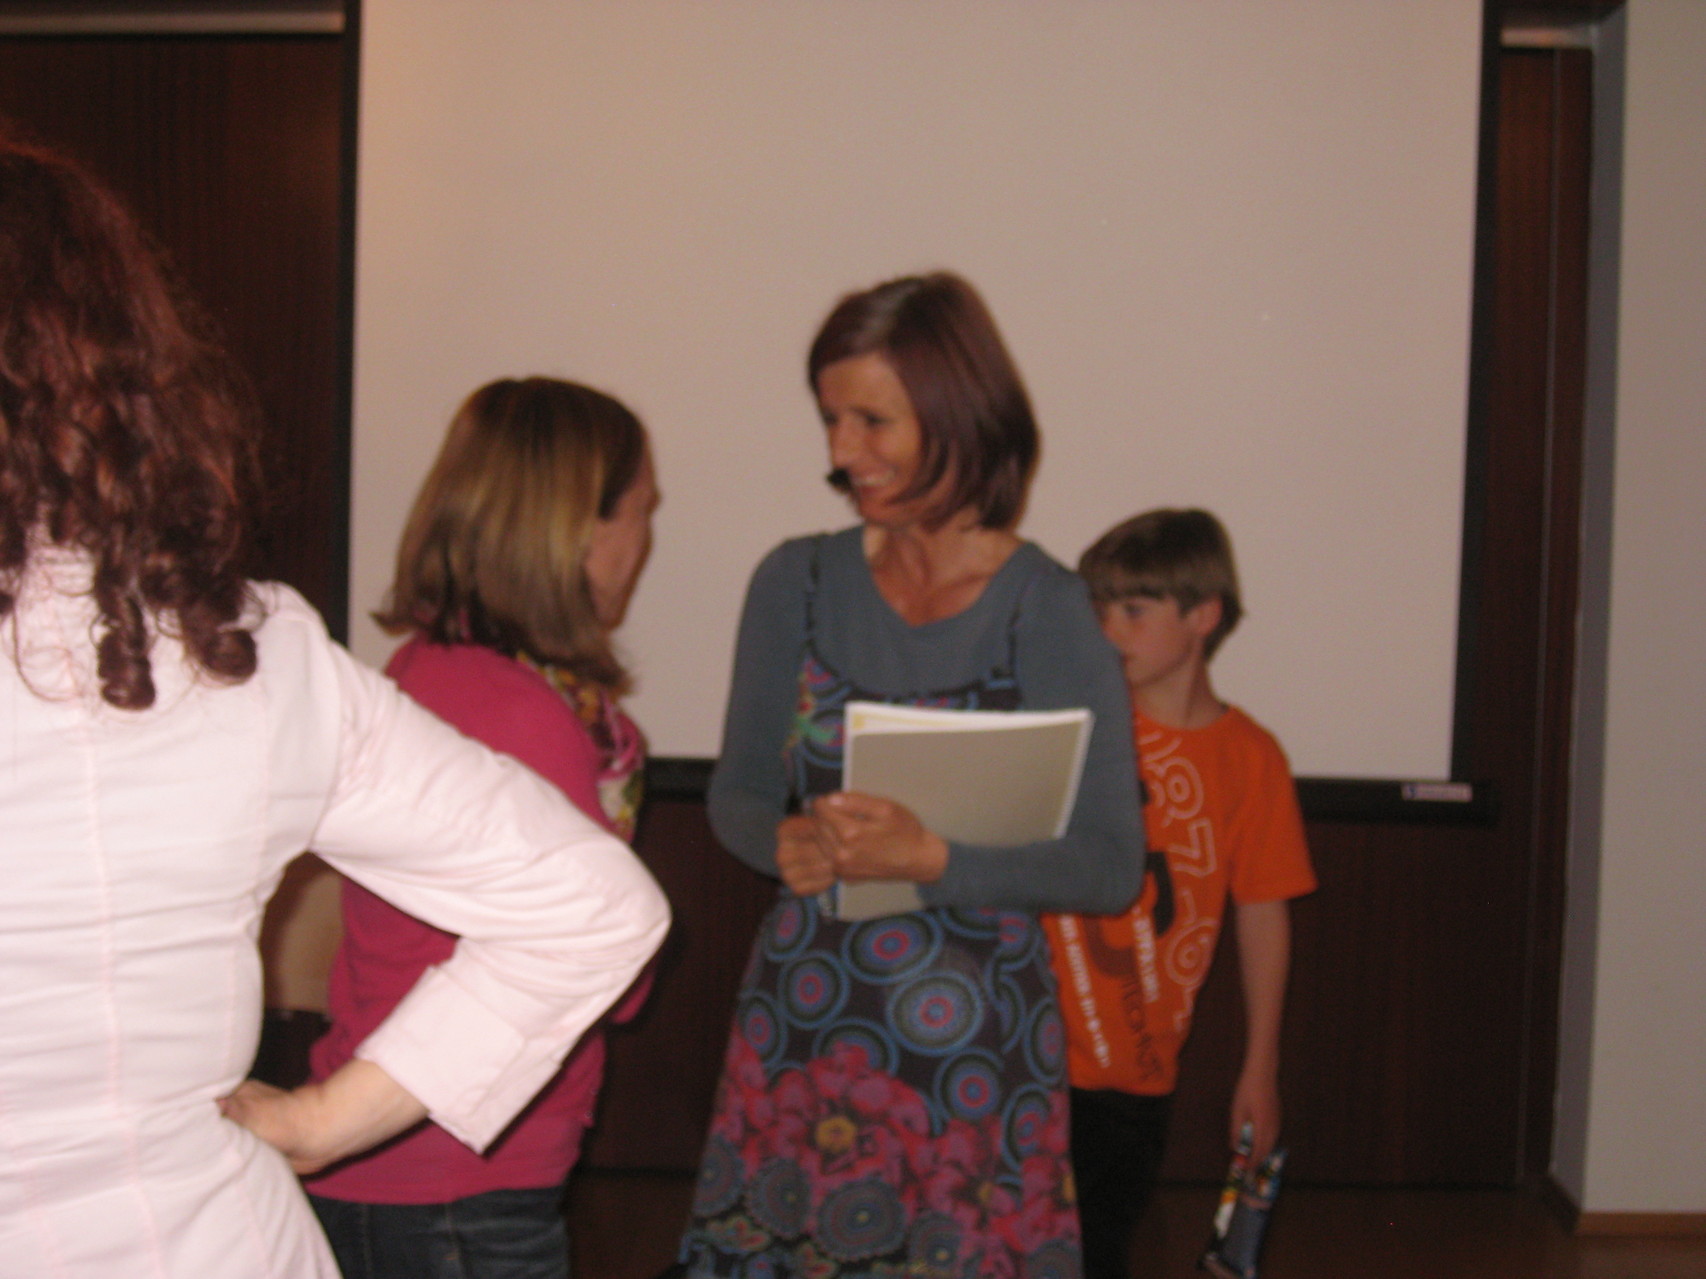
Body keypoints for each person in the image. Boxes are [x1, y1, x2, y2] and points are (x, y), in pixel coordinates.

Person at [0, 131, 670, 1279]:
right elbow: (593, 916)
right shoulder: (264, 654)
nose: (647, 542)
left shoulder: (363, 666)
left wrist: (329, 1114)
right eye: (640, 512)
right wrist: (325, 1121)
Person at [677, 271, 1145, 1278]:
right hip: (803, 1030)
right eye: (830, 419)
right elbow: (737, 791)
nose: (841, 452)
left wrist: (935, 860)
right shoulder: (795, 580)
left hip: (974, 1065)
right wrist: (780, 839)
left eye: (872, 421)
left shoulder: (1047, 608)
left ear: (957, 412)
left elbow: (1111, 865)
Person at [305, 376, 661, 1279]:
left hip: (415, 1163)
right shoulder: (525, 714)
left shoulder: (430, 667)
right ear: (578, 530)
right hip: (454, 1179)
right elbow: (616, 979)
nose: (647, 542)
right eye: (641, 512)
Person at [1041, 508, 1317, 1279]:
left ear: (1203, 615)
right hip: (1032, 1056)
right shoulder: (1077, 725)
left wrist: (1260, 1068)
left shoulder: (1251, 757)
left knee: (1099, 1250)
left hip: (1141, 1069)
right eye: (1099, 609)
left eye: (1133, 610)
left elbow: (1263, 910)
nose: (1108, 630)